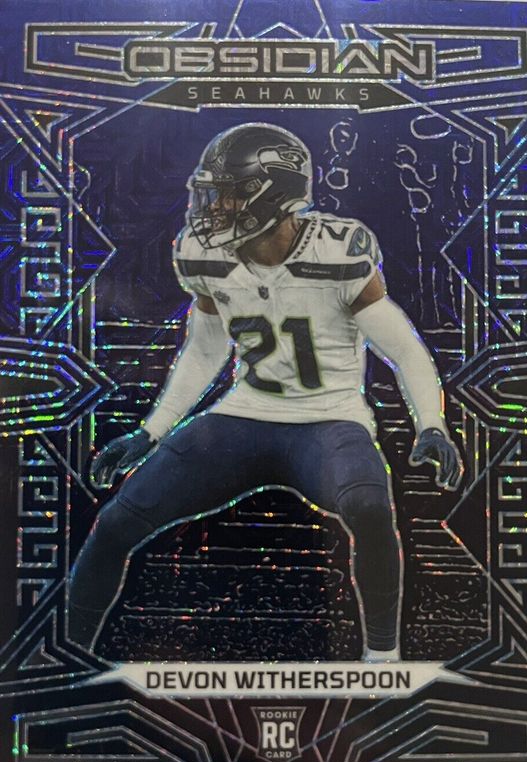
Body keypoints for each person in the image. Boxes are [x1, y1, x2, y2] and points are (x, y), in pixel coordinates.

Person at [68, 123, 462, 662]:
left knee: (371, 507)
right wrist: (150, 431)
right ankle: (68, 655)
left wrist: (432, 424)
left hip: (329, 421)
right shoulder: (205, 254)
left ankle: (383, 660)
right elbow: (205, 349)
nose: (214, 207)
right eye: (212, 193)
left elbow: (404, 348)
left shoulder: (337, 251)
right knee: (115, 522)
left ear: (274, 193)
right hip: (242, 417)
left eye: (228, 193)